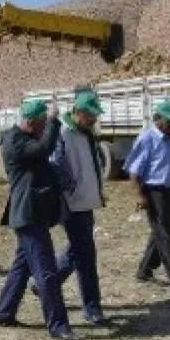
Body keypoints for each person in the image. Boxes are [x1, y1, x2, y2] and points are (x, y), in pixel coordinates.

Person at [0, 99, 86, 340]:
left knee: (21, 267)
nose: (46, 127)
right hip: (28, 216)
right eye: (43, 123)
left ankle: (3, 311)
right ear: (31, 122)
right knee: (47, 272)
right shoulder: (15, 141)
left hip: (33, 214)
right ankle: (58, 325)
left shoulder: (23, 137)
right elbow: (44, 149)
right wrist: (54, 120)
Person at [38, 91, 108, 325]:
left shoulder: (86, 134)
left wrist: (96, 193)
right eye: (91, 115)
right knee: (86, 255)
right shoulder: (65, 133)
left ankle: (46, 283)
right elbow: (55, 165)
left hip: (86, 201)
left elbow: (92, 167)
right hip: (73, 204)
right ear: (78, 112)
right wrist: (74, 190)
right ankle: (92, 307)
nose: (94, 120)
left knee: (77, 249)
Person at [126, 99, 170, 287]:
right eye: (169, 121)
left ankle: (144, 270)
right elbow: (134, 171)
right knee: (165, 235)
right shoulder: (147, 139)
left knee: (163, 233)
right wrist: (139, 195)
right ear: (157, 118)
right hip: (155, 193)